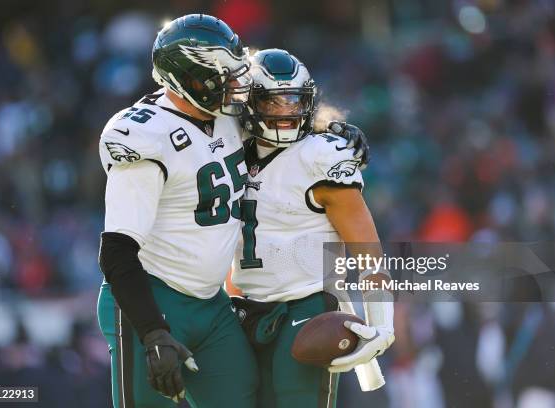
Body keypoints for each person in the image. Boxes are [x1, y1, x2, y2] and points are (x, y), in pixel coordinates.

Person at [96, 14, 258, 408]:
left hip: (212, 303)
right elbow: (116, 251)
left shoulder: (227, 116)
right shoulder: (145, 136)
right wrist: (152, 332)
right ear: (190, 78)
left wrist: (330, 132)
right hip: (152, 301)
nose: (236, 86)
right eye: (223, 76)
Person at [230, 48, 395, 407]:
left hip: (307, 305)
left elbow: (368, 250)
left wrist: (382, 323)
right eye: (274, 102)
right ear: (249, 103)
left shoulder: (322, 156)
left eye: (294, 100)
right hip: (242, 307)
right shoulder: (227, 148)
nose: (286, 111)